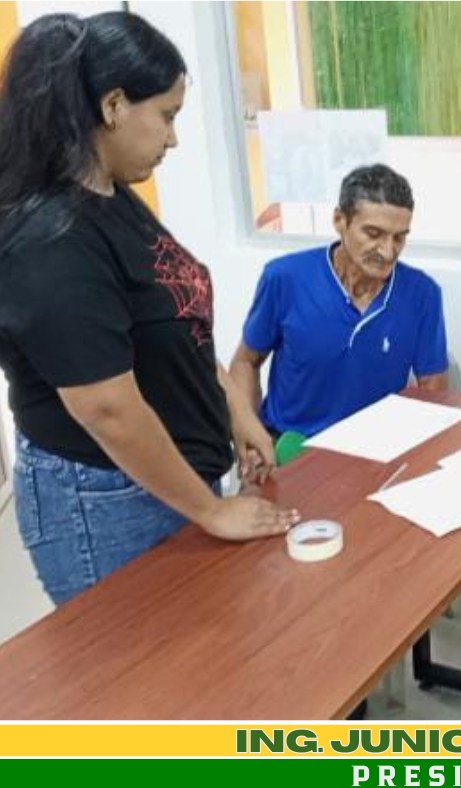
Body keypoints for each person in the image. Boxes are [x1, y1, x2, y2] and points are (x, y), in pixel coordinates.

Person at [0, 12, 300, 606]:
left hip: (175, 479)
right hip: (106, 499)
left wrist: (235, 411)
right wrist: (211, 511)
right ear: (114, 105)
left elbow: (176, 320)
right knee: (140, 659)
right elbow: (105, 407)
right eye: (166, 115)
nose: (173, 138)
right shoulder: (52, 238)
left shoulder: (112, 195)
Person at [230, 164, 448, 444]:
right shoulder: (284, 278)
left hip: (373, 450)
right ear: (339, 220)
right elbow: (245, 362)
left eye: (399, 237)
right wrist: (250, 433)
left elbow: (433, 393)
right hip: (290, 446)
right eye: (374, 234)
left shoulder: (423, 294)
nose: (388, 251)